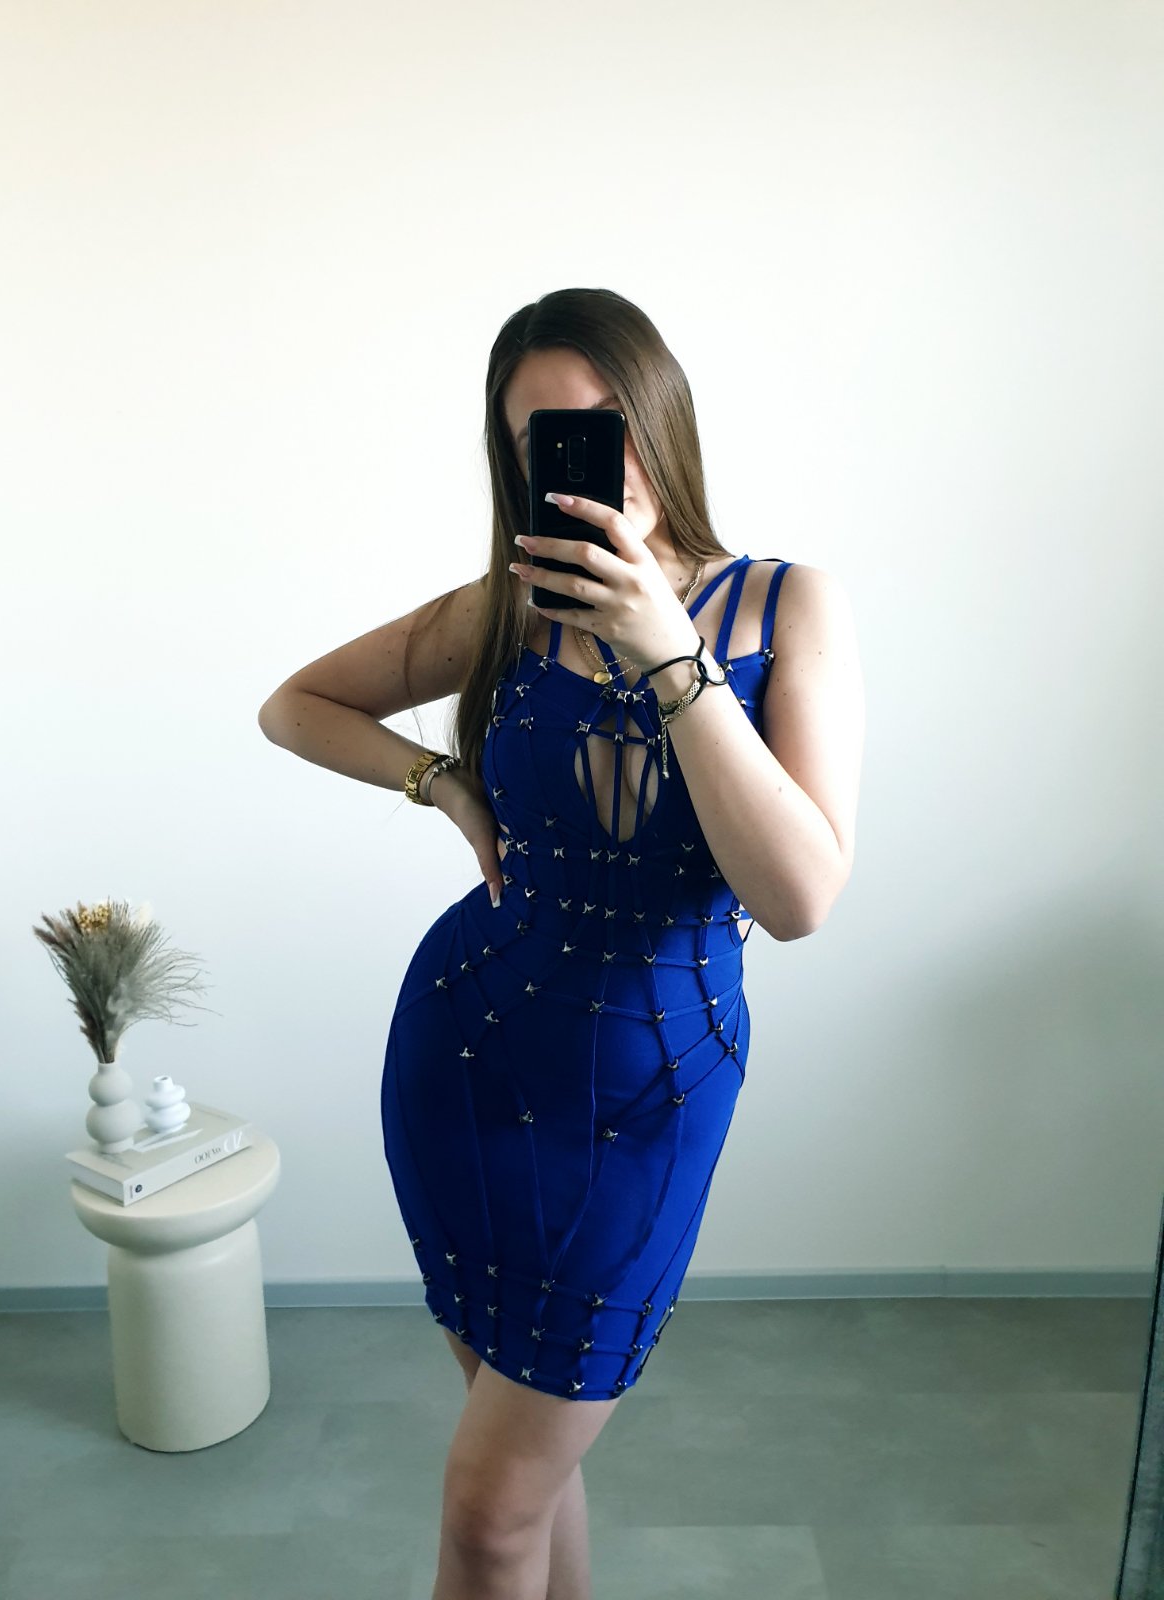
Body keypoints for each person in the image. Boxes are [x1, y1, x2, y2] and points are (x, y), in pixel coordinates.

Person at [258, 286, 865, 1600]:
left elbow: (800, 896)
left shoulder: (786, 608)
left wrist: (669, 654)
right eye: (548, 440)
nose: (596, 462)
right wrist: (441, 784)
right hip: (470, 1048)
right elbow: (294, 705)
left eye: (610, 425)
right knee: (519, 1475)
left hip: (651, 1093)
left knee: (491, 1508)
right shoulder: (506, 608)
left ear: (663, 417)